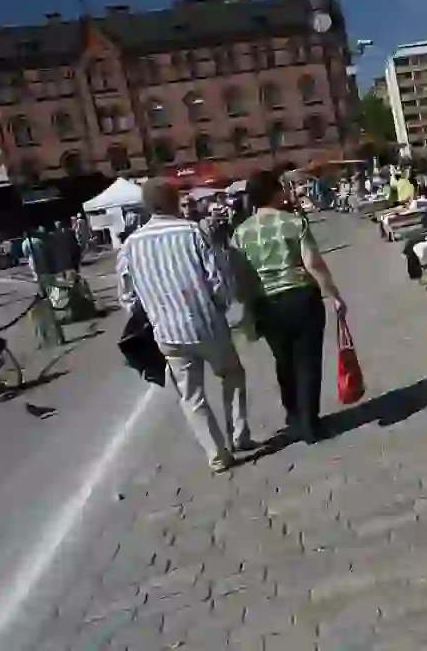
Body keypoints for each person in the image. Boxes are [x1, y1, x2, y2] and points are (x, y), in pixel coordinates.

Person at [117, 178, 251, 472]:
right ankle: (238, 434)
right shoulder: (192, 233)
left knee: (191, 396)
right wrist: (220, 306)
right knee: (232, 374)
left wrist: (152, 311)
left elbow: (128, 298)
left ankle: (217, 454)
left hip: (167, 332)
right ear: (174, 200)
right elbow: (218, 280)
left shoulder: (130, 245)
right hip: (206, 323)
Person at [231, 171, 347, 444]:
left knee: (283, 361)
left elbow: (241, 276)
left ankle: (293, 416)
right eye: (281, 189)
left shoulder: (240, 233)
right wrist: (334, 294)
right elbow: (313, 264)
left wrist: (249, 309)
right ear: (273, 193)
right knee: (307, 361)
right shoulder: (294, 223)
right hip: (301, 297)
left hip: (267, 305)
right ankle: (310, 424)